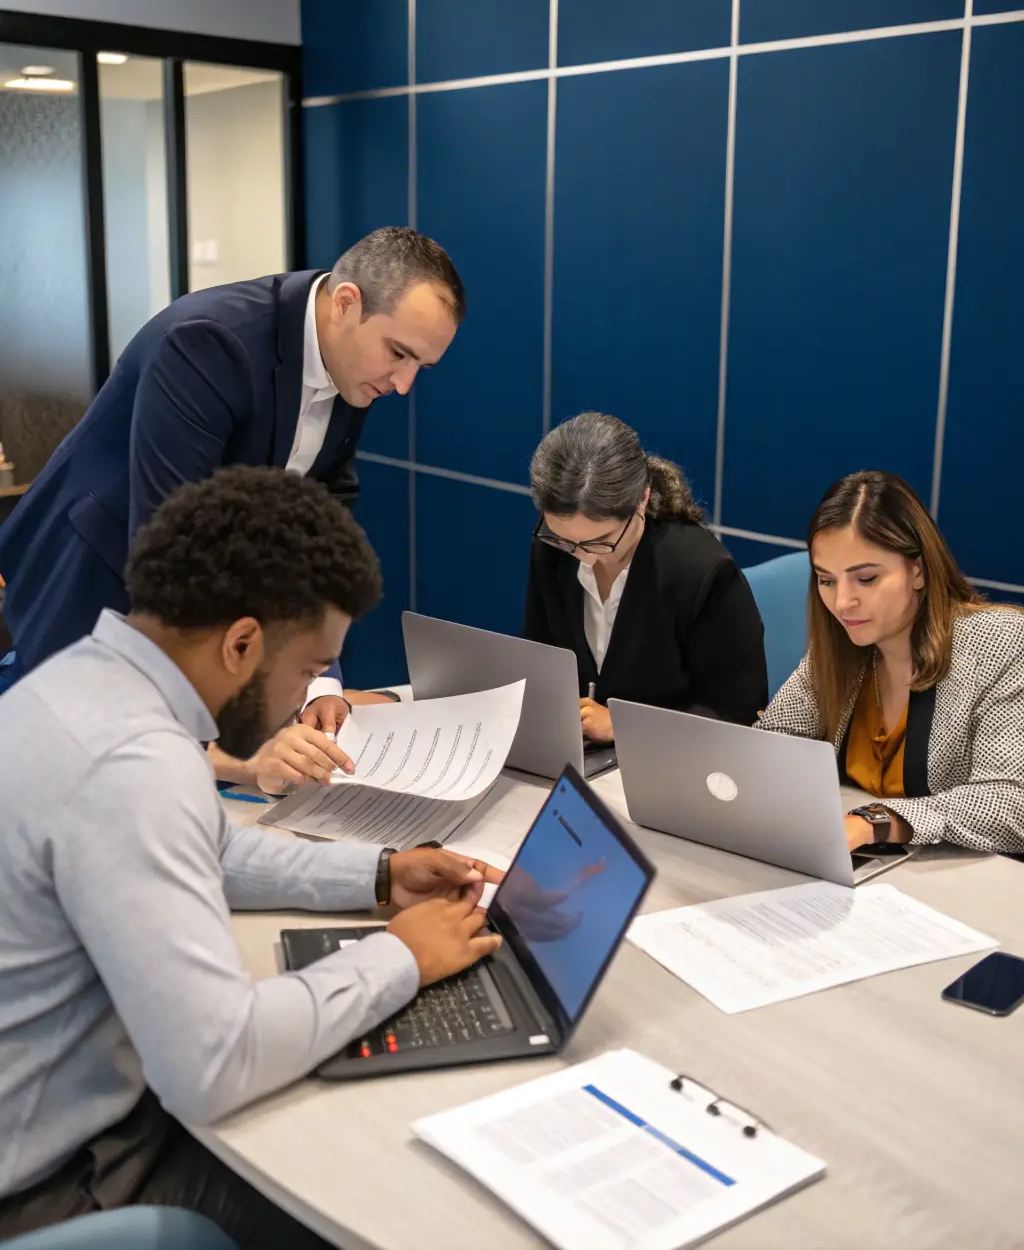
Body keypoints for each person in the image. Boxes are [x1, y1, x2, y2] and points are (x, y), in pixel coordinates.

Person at [0, 467, 502, 1247]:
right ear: (242, 642)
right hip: (56, 1184)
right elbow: (215, 1061)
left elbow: (206, 839)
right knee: (381, 1199)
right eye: (308, 670)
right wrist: (398, 958)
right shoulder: (134, 764)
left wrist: (378, 874)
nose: (306, 694)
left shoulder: (72, 682)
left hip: (48, 1123)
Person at [0, 227, 464, 719]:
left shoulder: (356, 368)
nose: (404, 384)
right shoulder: (207, 342)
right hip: (95, 595)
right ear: (346, 303)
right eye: (399, 353)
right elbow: (174, 545)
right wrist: (256, 716)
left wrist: (318, 682)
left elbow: (316, 536)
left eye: (421, 366)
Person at [757, 470, 1024, 854]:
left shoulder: (1000, 643)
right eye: (826, 581)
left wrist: (875, 822)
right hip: (868, 871)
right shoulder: (840, 642)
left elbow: (1009, 803)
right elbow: (777, 741)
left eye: (865, 579)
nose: (843, 602)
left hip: (968, 884)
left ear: (917, 570)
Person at [523, 413, 767, 740]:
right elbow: (540, 660)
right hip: (578, 754)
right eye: (565, 539)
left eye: (600, 541)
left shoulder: (701, 571)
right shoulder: (553, 550)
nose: (582, 555)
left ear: (642, 499)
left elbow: (737, 713)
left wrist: (626, 725)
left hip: (671, 763)